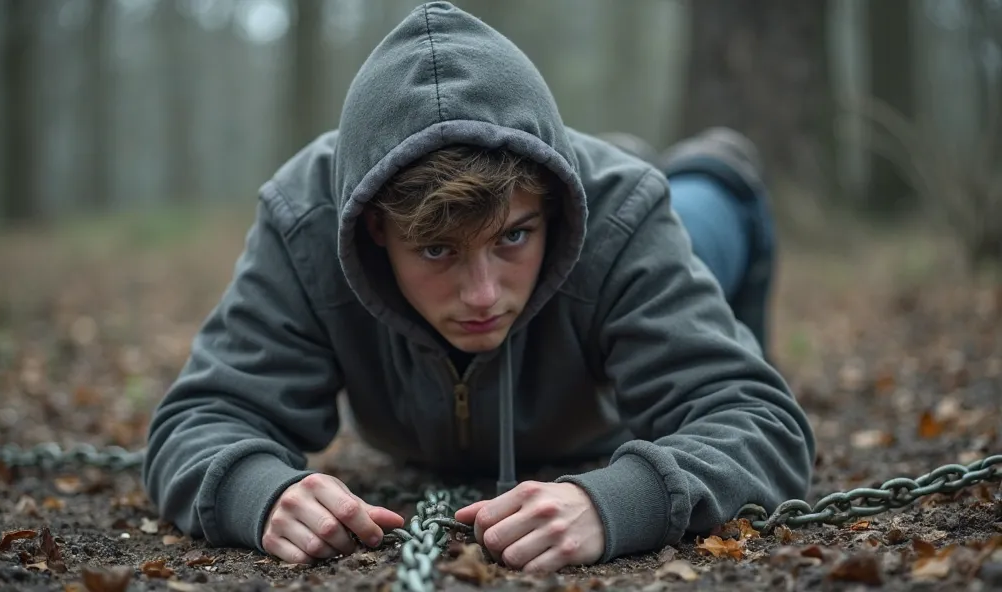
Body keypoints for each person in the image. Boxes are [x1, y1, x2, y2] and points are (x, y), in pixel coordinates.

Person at [142, 1, 815, 575]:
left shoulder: (622, 218)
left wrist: (622, 501)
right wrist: (257, 490)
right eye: (437, 249)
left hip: (650, 219)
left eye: (512, 237)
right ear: (375, 229)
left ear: (551, 201)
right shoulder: (306, 225)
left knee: (702, 208)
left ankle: (708, 167)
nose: (484, 294)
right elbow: (197, 421)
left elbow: (762, 424)